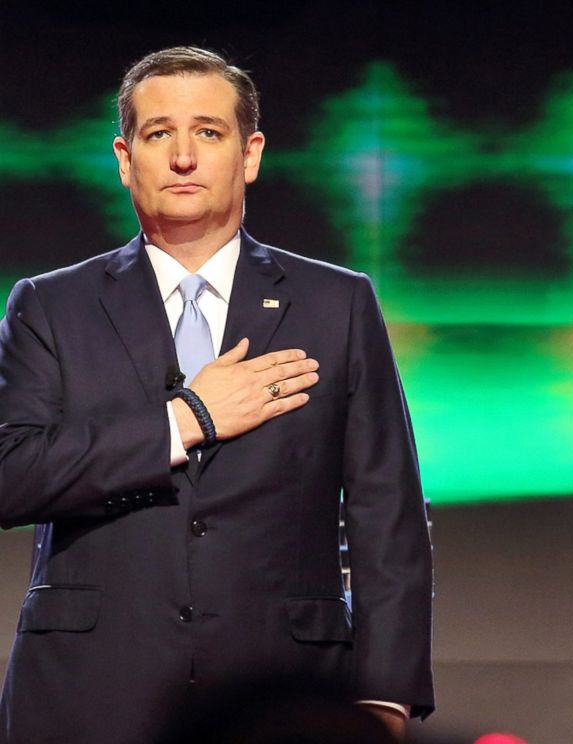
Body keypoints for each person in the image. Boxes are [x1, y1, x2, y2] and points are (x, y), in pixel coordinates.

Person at [0, 46, 434, 743]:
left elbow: (389, 514)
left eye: (208, 132)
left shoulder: (338, 304)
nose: (182, 157)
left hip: (286, 688)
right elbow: (10, 474)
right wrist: (187, 419)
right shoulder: (50, 307)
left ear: (250, 153)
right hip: (89, 690)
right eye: (157, 133)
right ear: (123, 158)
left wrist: (386, 694)